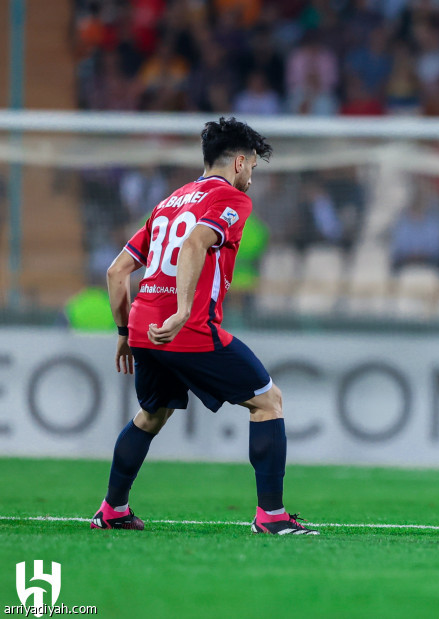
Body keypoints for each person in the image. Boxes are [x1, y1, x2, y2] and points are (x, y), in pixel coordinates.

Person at [91, 117, 319, 535]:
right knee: (268, 402)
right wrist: (181, 311)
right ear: (239, 163)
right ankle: (271, 516)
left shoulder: (169, 201)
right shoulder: (231, 198)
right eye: (252, 166)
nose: (251, 177)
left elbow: (116, 271)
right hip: (188, 329)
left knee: (151, 414)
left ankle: (112, 509)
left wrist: (124, 333)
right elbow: (197, 241)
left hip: (142, 328)